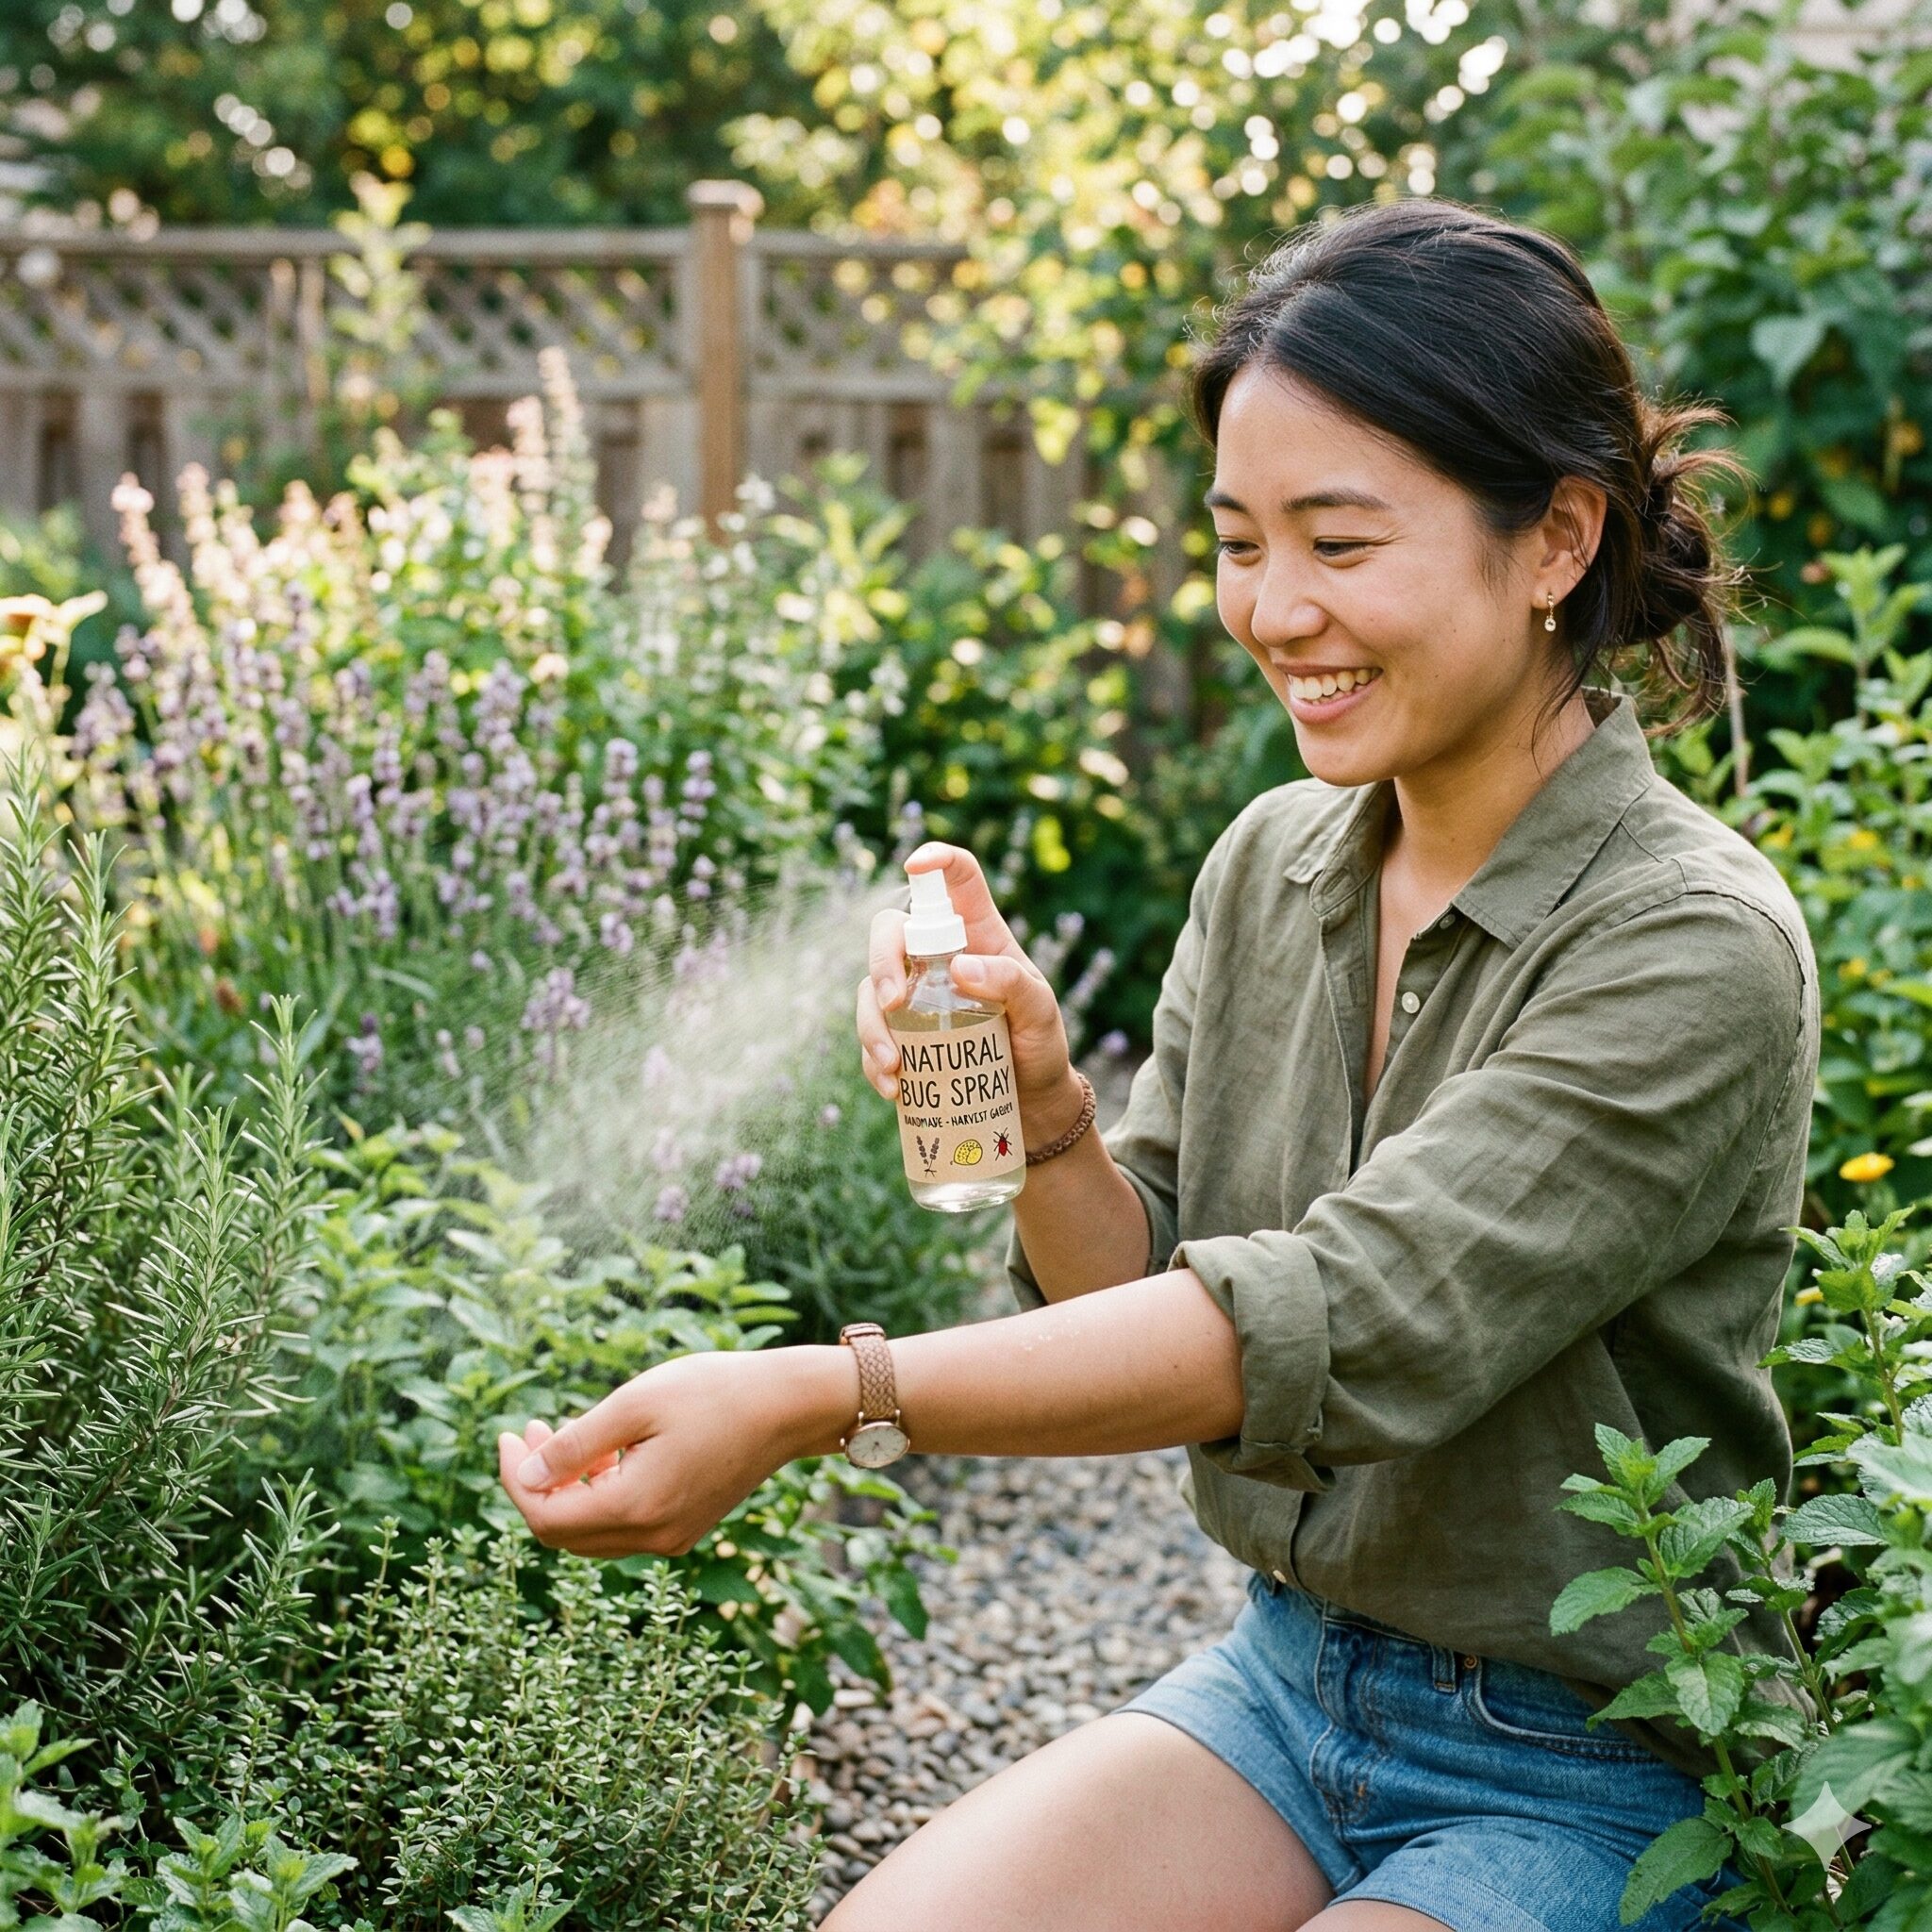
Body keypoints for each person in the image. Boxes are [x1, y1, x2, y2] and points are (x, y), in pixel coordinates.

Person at [496, 197, 1820, 1932]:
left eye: (1340, 546)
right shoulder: (1277, 862)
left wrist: (829, 1389)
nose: (1274, 612)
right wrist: (1050, 1128)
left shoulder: (1692, 944)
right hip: (1291, 1694)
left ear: (1560, 538)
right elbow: (1133, 1279)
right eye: (1240, 541)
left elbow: (1340, 1323)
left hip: (1603, 1768)